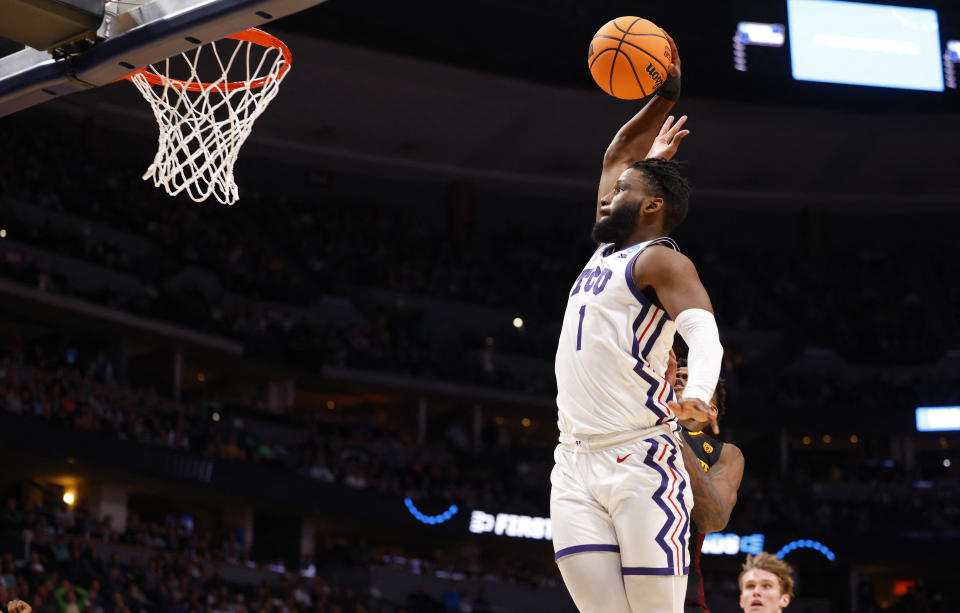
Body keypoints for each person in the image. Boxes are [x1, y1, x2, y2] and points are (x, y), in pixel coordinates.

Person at [550, 30, 725, 613]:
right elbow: (617, 155)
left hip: (640, 460)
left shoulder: (661, 260)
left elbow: (703, 332)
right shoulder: (605, 251)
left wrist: (698, 394)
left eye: (621, 192)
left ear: (651, 207)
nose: (607, 196)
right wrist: (665, 94)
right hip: (572, 461)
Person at [669, 356, 744, 613]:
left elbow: (714, 518)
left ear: (711, 408)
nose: (678, 378)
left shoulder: (725, 454)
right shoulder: (635, 430)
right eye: (675, 375)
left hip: (681, 594)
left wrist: (671, 432)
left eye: (688, 378)